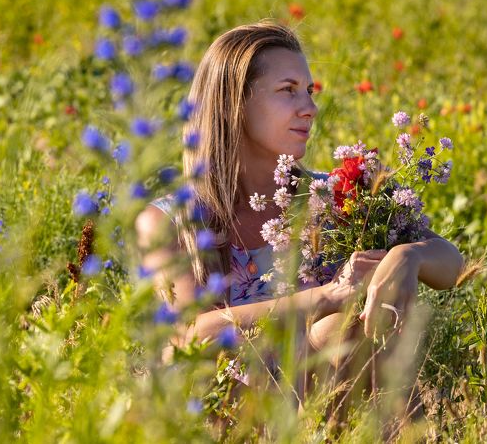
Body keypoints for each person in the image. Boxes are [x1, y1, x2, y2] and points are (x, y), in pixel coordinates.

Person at [135, 20, 464, 400]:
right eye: (288, 91)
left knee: (342, 330)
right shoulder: (172, 220)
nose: (309, 108)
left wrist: (409, 258)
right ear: (234, 103)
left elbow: (452, 264)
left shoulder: (340, 194)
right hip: (232, 415)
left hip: (336, 405)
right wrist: (325, 296)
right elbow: (186, 335)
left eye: (308, 91)